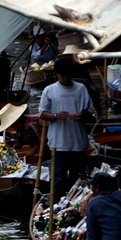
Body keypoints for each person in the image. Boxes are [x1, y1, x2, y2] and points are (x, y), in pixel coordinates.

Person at [38, 58, 96, 201]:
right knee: (59, 178)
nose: (66, 78)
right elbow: (42, 113)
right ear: (56, 74)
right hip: (59, 142)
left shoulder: (81, 88)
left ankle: (74, 204)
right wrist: (55, 116)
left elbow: (90, 111)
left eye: (68, 75)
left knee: (78, 178)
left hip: (78, 140)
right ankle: (57, 205)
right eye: (63, 75)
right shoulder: (49, 90)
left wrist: (81, 114)